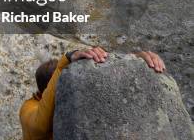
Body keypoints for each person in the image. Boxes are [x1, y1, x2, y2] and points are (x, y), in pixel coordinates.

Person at [19, 47, 166, 140]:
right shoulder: (29, 109)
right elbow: (39, 126)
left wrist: (136, 61)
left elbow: (106, 72)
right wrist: (65, 62)